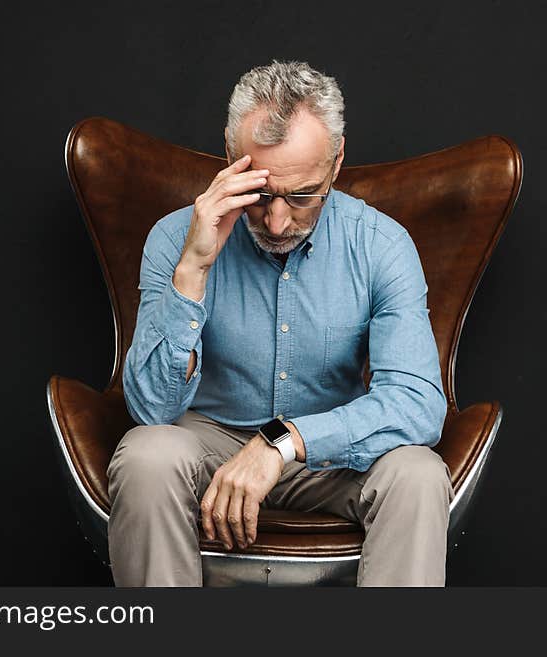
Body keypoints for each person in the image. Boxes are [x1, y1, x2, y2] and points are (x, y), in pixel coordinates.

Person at [106, 60, 453, 587]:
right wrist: (194, 268)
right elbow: (152, 408)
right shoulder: (174, 239)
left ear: (337, 163)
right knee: (147, 457)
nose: (277, 221)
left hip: (329, 452)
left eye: (302, 195)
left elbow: (418, 403)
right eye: (261, 192)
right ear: (230, 155)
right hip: (209, 443)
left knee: (418, 476)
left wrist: (282, 442)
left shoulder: (382, 245)